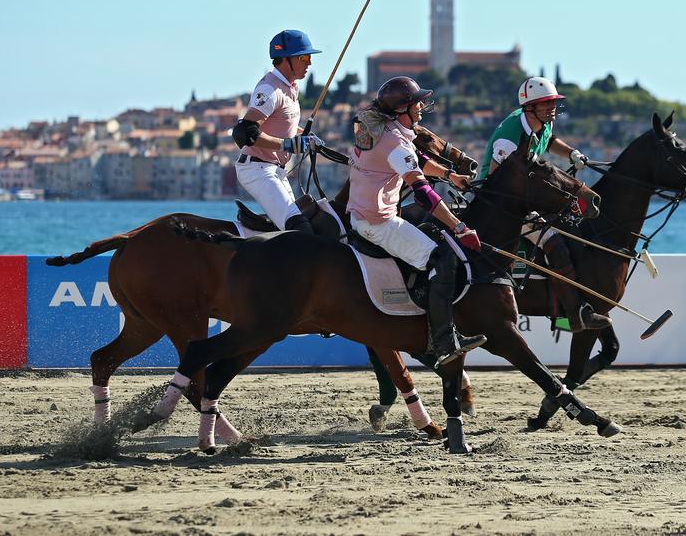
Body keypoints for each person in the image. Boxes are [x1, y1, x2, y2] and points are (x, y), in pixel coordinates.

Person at [348, 76, 486, 365]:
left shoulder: (380, 127)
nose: (422, 107)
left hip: (364, 214)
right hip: (378, 223)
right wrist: (459, 227)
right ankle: (444, 342)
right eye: (417, 103)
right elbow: (422, 192)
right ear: (402, 109)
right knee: (443, 260)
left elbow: (417, 160)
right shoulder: (394, 141)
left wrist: (450, 176)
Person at [478, 76, 612, 332]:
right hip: (499, 205)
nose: (552, 108)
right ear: (529, 107)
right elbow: (497, 181)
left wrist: (571, 153)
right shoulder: (510, 134)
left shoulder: (542, 122)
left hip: (525, 198)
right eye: (546, 103)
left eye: (553, 102)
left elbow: (549, 141)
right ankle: (574, 315)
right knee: (554, 242)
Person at [231, 30, 326, 234]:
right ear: (284, 60)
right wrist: (288, 144)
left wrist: (305, 137)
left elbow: (284, 125)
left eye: (309, 57)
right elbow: (246, 133)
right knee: (299, 230)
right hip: (257, 170)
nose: (309, 63)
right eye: (303, 57)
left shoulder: (291, 88)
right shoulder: (269, 91)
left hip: (277, 170)